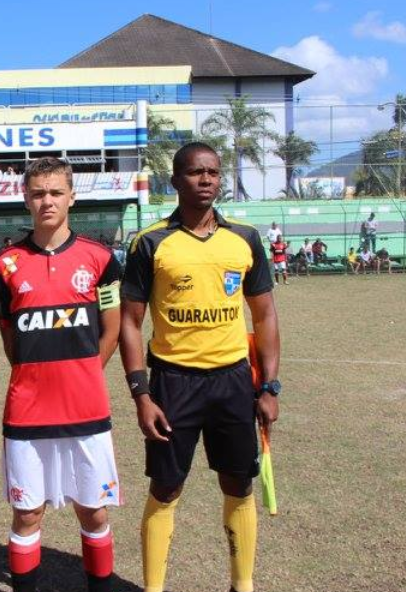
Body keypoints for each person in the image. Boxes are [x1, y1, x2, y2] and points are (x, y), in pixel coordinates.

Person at [119, 143, 280, 592]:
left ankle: (242, 585)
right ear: (176, 180)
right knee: (166, 487)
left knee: (239, 483)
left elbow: (265, 315)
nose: (206, 179)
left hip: (232, 381)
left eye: (213, 172)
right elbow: (130, 322)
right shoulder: (151, 242)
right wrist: (141, 395)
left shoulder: (244, 238)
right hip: (174, 382)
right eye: (195, 172)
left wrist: (269, 387)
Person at [0, 157, 122, 592]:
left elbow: (112, 328)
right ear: (26, 199)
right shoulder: (5, 263)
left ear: (71, 197)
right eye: (38, 193)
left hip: (87, 410)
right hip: (28, 413)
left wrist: (85, 372)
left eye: (55, 192)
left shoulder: (100, 258)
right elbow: (10, 338)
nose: (47, 201)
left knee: (94, 511)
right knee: (27, 513)